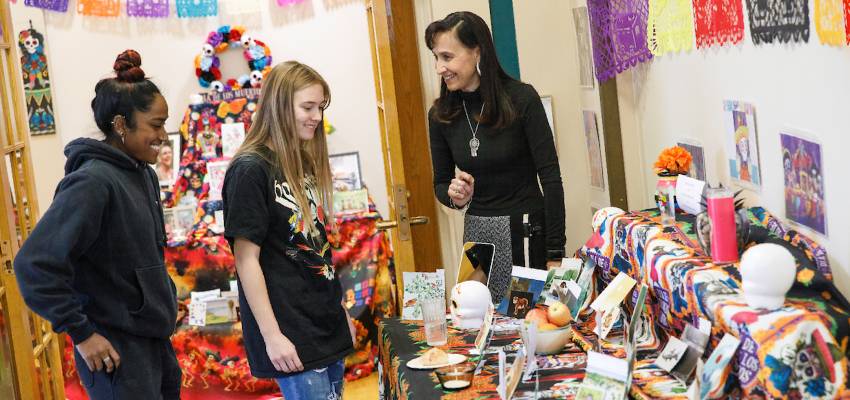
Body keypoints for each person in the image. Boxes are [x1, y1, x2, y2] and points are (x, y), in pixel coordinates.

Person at [13, 50, 180, 399]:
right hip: (115, 354)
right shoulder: (92, 182)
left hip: (153, 343)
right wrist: (82, 333)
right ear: (121, 125)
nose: (164, 135)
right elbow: (34, 265)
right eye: (156, 124)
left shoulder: (143, 174)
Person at [223, 61, 355, 400]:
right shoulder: (250, 170)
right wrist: (272, 336)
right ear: (280, 105)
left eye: (320, 108)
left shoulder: (301, 160)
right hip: (291, 329)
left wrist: (338, 311)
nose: (315, 116)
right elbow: (246, 259)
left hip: (323, 320)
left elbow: (313, 246)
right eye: (307, 107)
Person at [426, 11, 566, 303]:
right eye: (436, 58)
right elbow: (441, 184)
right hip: (477, 236)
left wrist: (555, 253)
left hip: (525, 231)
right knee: (473, 322)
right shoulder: (441, 115)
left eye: (447, 57)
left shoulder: (521, 99)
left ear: (477, 51)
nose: (440, 67)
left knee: (524, 325)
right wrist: (455, 196)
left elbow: (551, 179)